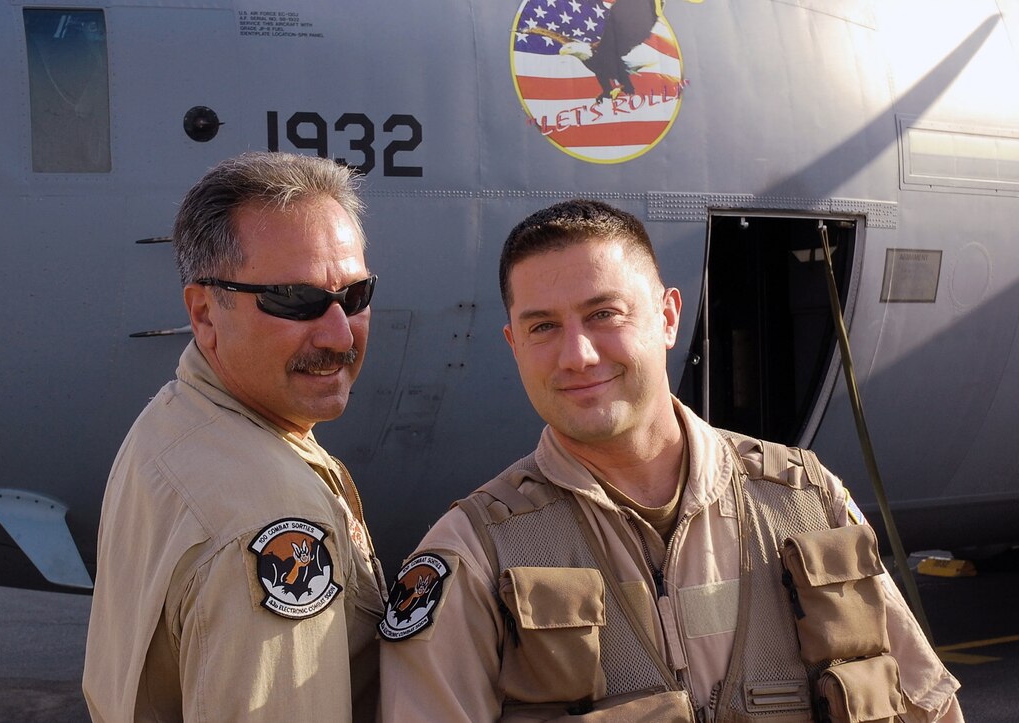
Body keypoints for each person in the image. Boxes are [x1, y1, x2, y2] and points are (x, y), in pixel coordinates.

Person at [378, 200, 961, 722]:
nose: (577, 355)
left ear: (668, 317)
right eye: (544, 326)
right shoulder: (474, 555)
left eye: (604, 314)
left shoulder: (806, 499)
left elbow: (926, 706)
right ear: (513, 345)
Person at [83, 152, 387, 722]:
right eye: (295, 300)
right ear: (204, 312)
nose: (339, 333)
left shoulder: (174, 423)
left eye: (356, 295)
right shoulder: (270, 517)